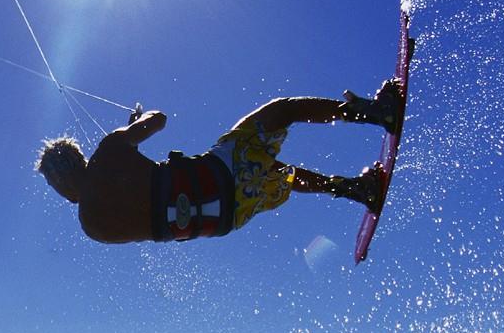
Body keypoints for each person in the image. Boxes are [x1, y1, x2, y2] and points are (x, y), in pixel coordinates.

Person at [36, 80, 404, 244]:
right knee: (282, 111)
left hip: (228, 217)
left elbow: (142, 209)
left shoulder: (92, 228)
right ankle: (376, 112)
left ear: (59, 190)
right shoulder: (108, 153)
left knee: (277, 175)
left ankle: (358, 189)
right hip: (221, 174)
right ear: (79, 159)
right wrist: (132, 127)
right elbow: (160, 119)